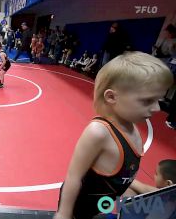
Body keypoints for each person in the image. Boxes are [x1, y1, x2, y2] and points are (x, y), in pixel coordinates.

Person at [54, 51, 174, 219]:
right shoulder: (98, 132)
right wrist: (63, 214)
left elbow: (123, 178)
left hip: (105, 203)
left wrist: (149, 192)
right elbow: (74, 177)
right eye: (147, 101)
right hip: (84, 210)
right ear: (111, 97)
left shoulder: (132, 128)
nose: (157, 109)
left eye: (159, 101)